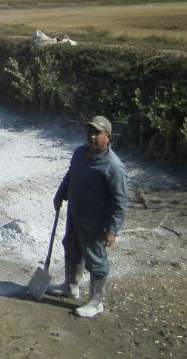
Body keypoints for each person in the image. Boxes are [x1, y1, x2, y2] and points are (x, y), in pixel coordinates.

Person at [51, 116, 128, 318]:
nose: (92, 137)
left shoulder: (113, 166)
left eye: (97, 133)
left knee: (96, 260)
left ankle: (96, 302)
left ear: (108, 137)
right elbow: (71, 175)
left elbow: (120, 201)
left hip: (95, 222)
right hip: (75, 215)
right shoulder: (79, 153)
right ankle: (70, 286)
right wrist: (61, 194)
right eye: (90, 133)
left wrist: (112, 230)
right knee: (71, 248)